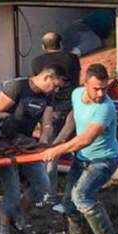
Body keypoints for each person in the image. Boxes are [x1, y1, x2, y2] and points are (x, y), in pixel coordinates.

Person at [41, 63, 118, 234]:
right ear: (85, 84)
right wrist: (60, 138)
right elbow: (73, 117)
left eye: (104, 88)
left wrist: (57, 150)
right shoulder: (76, 94)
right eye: (96, 89)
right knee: (68, 204)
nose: (101, 93)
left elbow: (85, 139)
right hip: (82, 159)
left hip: (103, 160)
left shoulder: (105, 108)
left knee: (81, 195)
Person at [0, 64, 64, 234]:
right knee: (12, 191)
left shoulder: (48, 96)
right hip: (4, 145)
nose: (56, 89)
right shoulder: (17, 87)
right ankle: (4, 229)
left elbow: (46, 124)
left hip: (27, 145)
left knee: (42, 186)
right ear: (46, 77)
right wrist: (4, 142)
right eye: (55, 85)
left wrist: (44, 140)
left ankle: (18, 213)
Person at [31, 32, 82, 194]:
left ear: (43, 47)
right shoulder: (72, 59)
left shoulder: (36, 62)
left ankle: (49, 193)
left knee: (50, 151)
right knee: (77, 148)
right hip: (72, 107)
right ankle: (76, 190)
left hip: (50, 109)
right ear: (61, 44)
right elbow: (77, 81)